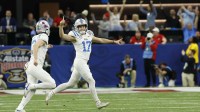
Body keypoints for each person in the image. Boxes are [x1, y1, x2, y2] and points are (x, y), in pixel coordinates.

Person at [45, 18, 123, 109]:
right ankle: (98, 103)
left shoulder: (89, 35)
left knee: (70, 84)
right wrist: (61, 26)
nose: (82, 28)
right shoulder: (75, 36)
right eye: (80, 26)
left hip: (82, 62)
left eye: (83, 26)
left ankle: (50, 93)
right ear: (76, 28)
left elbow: (101, 40)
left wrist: (113, 41)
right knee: (91, 80)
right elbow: (63, 36)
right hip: (80, 61)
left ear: (86, 27)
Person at [15, 20, 56, 112]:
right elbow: (36, 46)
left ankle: (19, 108)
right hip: (35, 66)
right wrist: (36, 59)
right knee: (52, 84)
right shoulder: (44, 36)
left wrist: (46, 46)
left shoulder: (35, 37)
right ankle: (30, 86)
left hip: (30, 65)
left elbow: (38, 45)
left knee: (32, 91)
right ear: (45, 28)